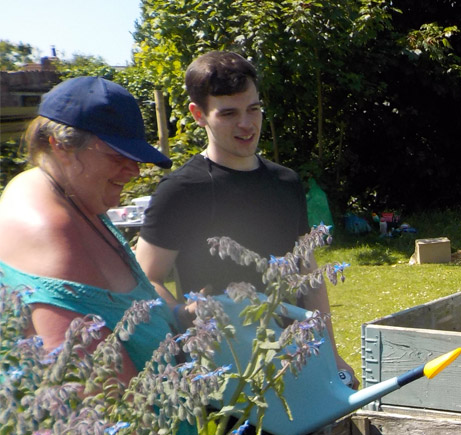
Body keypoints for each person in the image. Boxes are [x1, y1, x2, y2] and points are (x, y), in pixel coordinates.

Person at [134, 50, 358, 388]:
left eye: (253, 109)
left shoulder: (286, 182)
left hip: (294, 361)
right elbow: (144, 279)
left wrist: (331, 355)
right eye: (229, 113)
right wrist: (182, 316)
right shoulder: (180, 190)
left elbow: (308, 276)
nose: (246, 124)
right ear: (198, 115)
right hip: (226, 373)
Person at [0, 76, 177, 385]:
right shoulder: (52, 232)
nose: (134, 169)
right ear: (61, 146)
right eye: (117, 154)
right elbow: (102, 404)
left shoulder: (76, 198)